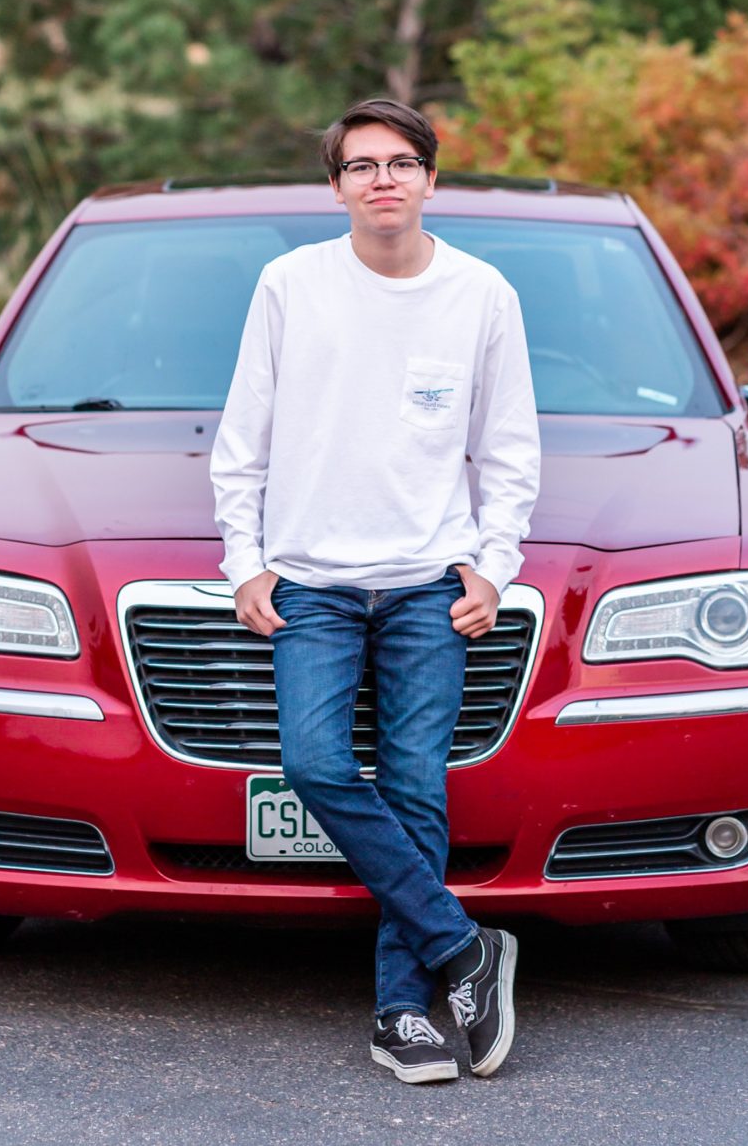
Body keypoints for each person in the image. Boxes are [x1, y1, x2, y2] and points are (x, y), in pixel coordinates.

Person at [209, 97, 541, 1083]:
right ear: (338, 185)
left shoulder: (481, 294)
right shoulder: (289, 284)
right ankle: (462, 943)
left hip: (427, 586)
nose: (383, 178)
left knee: (414, 785)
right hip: (308, 581)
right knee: (314, 763)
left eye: (401, 162)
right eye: (362, 165)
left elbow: (510, 448)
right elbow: (243, 441)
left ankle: (401, 1009)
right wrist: (245, 561)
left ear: (431, 180)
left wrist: (493, 563)